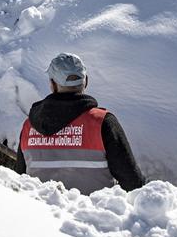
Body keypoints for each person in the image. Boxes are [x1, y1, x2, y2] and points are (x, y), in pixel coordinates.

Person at [15, 52, 144, 194]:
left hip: (41, 213)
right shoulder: (102, 123)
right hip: (91, 214)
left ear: (52, 84)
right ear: (86, 81)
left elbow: (19, 180)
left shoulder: (29, 126)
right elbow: (133, 183)